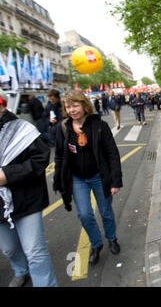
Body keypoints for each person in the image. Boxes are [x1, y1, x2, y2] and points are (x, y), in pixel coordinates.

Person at [53, 90, 123, 265]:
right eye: (68, 107)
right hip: (77, 179)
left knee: (106, 211)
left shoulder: (99, 125)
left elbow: (112, 154)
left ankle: (112, 238)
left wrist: (115, 180)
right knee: (84, 214)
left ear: (84, 105)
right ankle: (96, 244)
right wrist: (58, 181)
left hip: (99, 176)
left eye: (75, 105)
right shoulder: (63, 128)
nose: (72, 110)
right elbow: (60, 157)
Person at [0, 93, 58, 287]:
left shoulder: (23, 129)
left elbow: (40, 160)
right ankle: (20, 271)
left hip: (27, 200)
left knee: (35, 251)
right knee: (9, 249)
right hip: (0, 207)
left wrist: (7, 175)